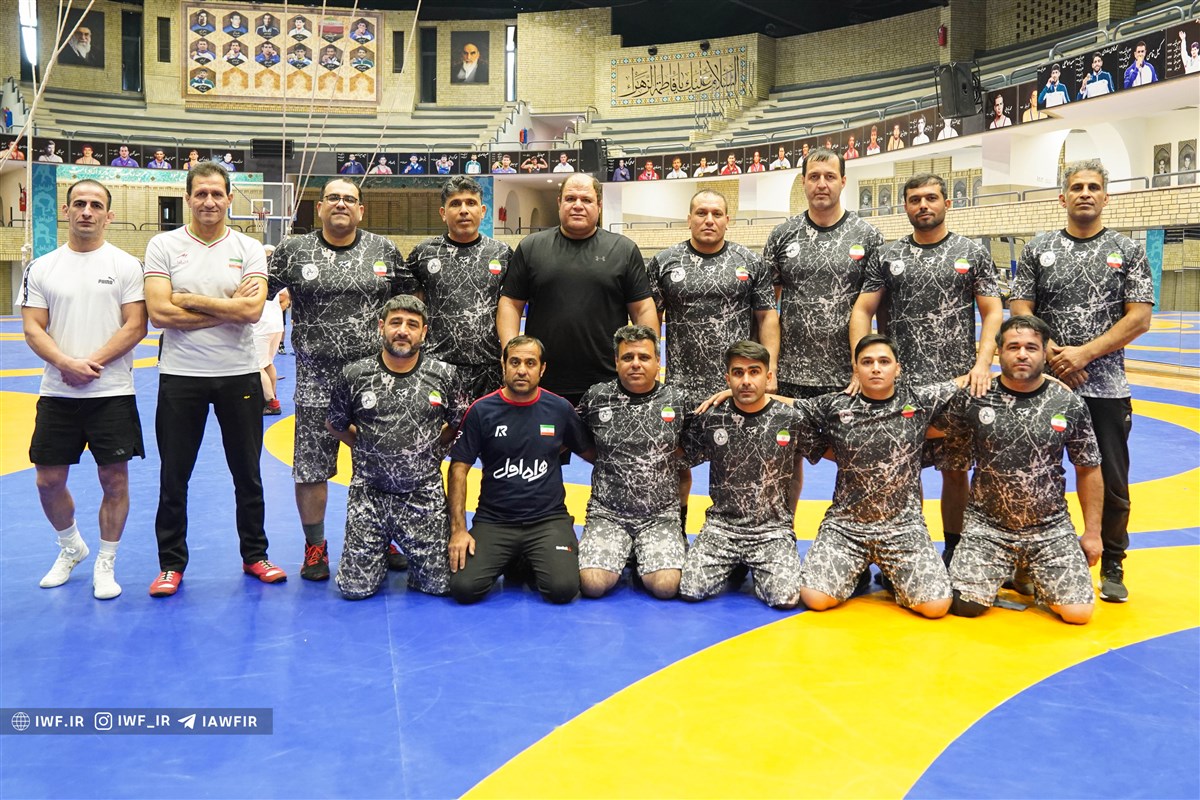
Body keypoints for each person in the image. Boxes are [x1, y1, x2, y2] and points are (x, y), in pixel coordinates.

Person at [1010, 159, 1153, 603]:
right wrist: (1053, 353)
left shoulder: (1127, 250)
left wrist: (1083, 354)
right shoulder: (1039, 248)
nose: (1085, 193)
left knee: (1111, 478)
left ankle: (1112, 563)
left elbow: (1139, 317)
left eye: (1093, 187)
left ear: (1106, 197)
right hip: (1044, 385)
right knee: (1029, 473)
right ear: (1063, 197)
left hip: (1106, 388)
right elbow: (1020, 307)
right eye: (1076, 187)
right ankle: (1025, 561)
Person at [142, 162, 281, 597]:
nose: (208, 201)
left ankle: (255, 554)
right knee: (174, 476)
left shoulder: (249, 247)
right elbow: (159, 313)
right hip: (181, 375)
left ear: (229, 198)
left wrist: (188, 300)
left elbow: (252, 311)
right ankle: (170, 564)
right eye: (200, 193)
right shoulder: (163, 245)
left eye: (217, 194)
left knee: (248, 474)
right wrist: (225, 308)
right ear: (188, 198)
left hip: (238, 374)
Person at [851, 173, 1003, 567]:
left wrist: (983, 363)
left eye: (931, 198)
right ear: (905, 206)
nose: (923, 205)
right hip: (903, 386)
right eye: (915, 199)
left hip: (958, 383)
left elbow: (992, 311)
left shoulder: (972, 252)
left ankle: (955, 550)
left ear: (947, 203)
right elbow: (863, 310)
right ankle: (908, 552)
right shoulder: (888, 255)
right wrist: (861, 365)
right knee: (904, 474)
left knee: (956, 471)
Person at [267, 178, 412, 581]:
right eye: (333, 197)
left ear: (361, 210)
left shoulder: (384, 250)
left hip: (375, 381)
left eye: (349, 199)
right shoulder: (294, 251)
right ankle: (315, 548)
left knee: (383, 463)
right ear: (319, 207)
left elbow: (409, 303)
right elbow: (257, 292)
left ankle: (385, 536)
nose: (341, 204)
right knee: (310, 468)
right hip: (315, 381)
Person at [21, 179, 147, 600]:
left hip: (111, 391)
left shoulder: (126, 265)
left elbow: (136, 325)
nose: (87, 211)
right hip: (58, 392)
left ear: (109, 215)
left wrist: (91, 363)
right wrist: (66, 363)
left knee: (114, 480)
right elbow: (33, 327)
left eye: (95, 205)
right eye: (79, 204)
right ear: (66, 210)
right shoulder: (42, 267)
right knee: (47, 481)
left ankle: (106, 561)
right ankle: (71, 546)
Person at [946, 316, 1102, 624]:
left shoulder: (1067, 403)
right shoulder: (976, 396)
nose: (1021, 354)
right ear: (998, 352)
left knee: (1078, 613)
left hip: (1049, 527)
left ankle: (1031, 571)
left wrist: (1093, 533)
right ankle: (1006, 568)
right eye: (1013, 347)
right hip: (987, 526)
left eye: (1031, 347)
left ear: (1044, 353)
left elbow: (1088, 468)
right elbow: (927, 425)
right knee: (965, 606)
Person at [795, 334, 956, 618]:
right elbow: (788, 407)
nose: (876, 368)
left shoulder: (918, 400)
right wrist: (749, 395)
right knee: (814, 598)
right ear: (856, 369)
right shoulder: (837, 405)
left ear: (898, 368)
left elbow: (967, 384)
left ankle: (894, 575)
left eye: (884, 361)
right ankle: (857, 574)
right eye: (867, 362)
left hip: (902, 527)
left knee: (936, 606)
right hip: (846, 526)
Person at [649, 189, 780, 525]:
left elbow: (767, 316)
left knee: (739, 467)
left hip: (737, 388)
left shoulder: (750, 263)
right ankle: (675, 529)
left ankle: (736, 531)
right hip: (680, 387)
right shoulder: (664, 262)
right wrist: (652, 370)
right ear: (689, 218)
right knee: (676, 465)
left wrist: (771, 372)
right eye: (701, 213)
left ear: (727, 220)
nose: (709, 220)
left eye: (717, 214)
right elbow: (650, 318)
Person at [326, 296, 466, 600]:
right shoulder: (354, 375)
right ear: (381, 327)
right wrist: (367, 446)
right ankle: (376, 555)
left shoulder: (444, 374)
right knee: (354, 590)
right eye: (395, 323)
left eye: (412, 325)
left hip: (423, 495)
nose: (403, 331)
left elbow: (458, 424)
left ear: (423, 332)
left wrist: (430, 450)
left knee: (441, 586)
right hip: (369, 495)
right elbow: (335, 424)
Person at [447, 335, 594, 604]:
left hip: (547, 520)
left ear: (542, 369)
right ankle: (516, 558)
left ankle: (530, 555)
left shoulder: (560, 409)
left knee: (562, 589)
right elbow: (458, 468)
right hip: (495, 520)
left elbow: (592, 453)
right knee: (464, 588)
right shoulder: (481, 410)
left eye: (530, 363)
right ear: (503, 365)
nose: (522, 370)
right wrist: (458, 530)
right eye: (515, 362)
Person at [498, 174, 657, 405]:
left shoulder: (623, 250)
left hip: (609, 382)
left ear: (599, 205)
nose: (578, 205)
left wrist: (647, 359)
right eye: (570, 198)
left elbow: (643, 309)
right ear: (559, 202)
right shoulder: (531, 247)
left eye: (586, 200)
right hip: (542, 381)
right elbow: (510, 304)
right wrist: (511, 353)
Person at [678, 341, 807, 609]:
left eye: (754, 372)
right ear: (728, 379)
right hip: (722, 527)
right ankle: (735, 563)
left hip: (771, 530)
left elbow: (798, 470)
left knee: (785, 598)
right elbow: (680, 456)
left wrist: (788, 524)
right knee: (690, 588)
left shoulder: (790, 418)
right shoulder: (712, 417)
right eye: (738, 373)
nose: (746, 380)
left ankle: (752, 563)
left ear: (768, 377)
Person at [577, 325, 690, 599]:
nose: (636, 364)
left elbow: (690, 451)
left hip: (659, 516)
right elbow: (575, 436)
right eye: (628, 357)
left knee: (666, 587)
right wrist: (607, 459)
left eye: (644, 357)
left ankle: (643, 554)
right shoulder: (597, 397)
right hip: (608, 513)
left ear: (657, 362)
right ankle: (628, 552)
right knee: (592, 584)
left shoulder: (677, 400)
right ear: (616, 361)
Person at [764, 147, 884, 401]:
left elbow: (876, 308)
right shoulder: (782, 235)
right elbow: (766, 309)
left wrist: (863, 367)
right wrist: (768, 365)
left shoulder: (868, 236)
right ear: (803, 181)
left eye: (830, 177)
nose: (821, 184)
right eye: (814, 176)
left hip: (849, 377)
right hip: (790, 374)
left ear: (843, 181)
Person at [407, 176, 513, 403]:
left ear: (482, 211)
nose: (464, 210)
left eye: (471, 203)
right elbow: (408, 302)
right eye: (455, 204)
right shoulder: (423, 253)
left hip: (489, 368)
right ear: (443, 213)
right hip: (436, 366)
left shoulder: (502, 253)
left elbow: (513, 304)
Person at [252, 261, 287, 417]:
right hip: (276, 324)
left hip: (261, 326)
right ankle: (272, 395)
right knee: (267, 363)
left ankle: (271, 402)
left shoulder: (253, 279)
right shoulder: (274, 277)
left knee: (257, 366)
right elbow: (286, 296)